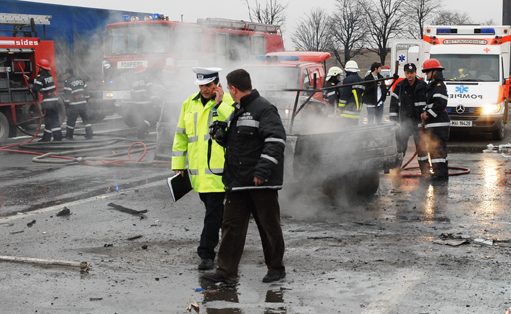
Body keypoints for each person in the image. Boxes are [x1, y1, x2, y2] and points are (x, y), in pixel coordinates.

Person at [202, 68, 286, 284]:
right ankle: (226, 272)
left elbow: (276, 141)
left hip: (260, 183)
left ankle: (276, 269)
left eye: (229, 89)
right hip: (238, 182)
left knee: (269, 227)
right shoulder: (237, 110)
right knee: (231, 228)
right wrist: (223, 137)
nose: (228, 93)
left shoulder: (264, 109)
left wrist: (261, 171)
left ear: (233, 88)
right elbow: (241, 143)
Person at [171, 67, 234, 270]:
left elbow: (232, 124)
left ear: (217, 84)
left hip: (219, 173)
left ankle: (206, 253)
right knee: (217, 214)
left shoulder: (228, 102)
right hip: (199, 174)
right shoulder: (189, 104)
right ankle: (232, 240)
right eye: (201, 85)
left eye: (208, 85)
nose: (204, 89)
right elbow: (181, 135)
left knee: (212, 215)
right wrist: (179, 165)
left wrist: (220, 103)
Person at [389, 63, 429, 175]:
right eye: (407, 73)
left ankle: (425, 171)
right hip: (404, 123)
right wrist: (393, 118)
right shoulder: (400, 86)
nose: (409, 75)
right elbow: (394, 103)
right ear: (405, 73)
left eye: (411, 73)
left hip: (418, 123)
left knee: (421, 149)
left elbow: (429, 101)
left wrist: (426, 115)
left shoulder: (422, 85)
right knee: (400, 148)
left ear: (416, 73)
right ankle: (396, 171)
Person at [421, 58, 450, 181]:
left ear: (434, 72)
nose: (426, 74)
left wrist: (428, 114)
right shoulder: (432, 86)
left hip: (439, 123)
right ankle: (441, 173)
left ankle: (439, 174)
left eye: (428, 72)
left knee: (438, 149)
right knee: (437, 149)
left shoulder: (439, 86)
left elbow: (441, 103)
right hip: (434, 124)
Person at [24, 59, 62, 142]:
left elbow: (35, 89)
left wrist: (30, 90)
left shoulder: (41, 78)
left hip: (49, 101)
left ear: (41, 68)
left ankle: (58, 138)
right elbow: (40, 82)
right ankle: (46, 137)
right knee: (48, 119)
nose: (38, 68)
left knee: (53, 119)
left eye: (39, 67)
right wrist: (29, 79)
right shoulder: (49, 76)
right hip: (53, 98)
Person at [130, 64, 163, 139]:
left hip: (137, 104)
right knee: (151, 118)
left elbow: (132, 94)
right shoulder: (146, 80)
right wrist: (156, 101)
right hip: (147, 104)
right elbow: (151, 91)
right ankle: (141, 129)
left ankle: (141, 137)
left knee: (141, 119)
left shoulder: (133, 82)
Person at [63, 68, 93, 139]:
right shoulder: (80, 79)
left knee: (71, 120)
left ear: (68, 73)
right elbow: (86, 91)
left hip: (74, 104)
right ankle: (89, 134)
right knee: (86, 120)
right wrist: (86, 99)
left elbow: (67, 94)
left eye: (66, 74)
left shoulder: (68, 81)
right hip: (83, 103)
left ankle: (69, 135)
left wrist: (67, 104)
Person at [338, 60, 365, 126]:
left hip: (347, 111)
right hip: (357, 111)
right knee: (354, 132)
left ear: (347, 70)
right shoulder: (362, 80)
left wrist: (340, 107)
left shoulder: (347, 80)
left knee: (345, 132)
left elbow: (345, 95)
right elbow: (363, 95)